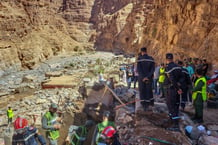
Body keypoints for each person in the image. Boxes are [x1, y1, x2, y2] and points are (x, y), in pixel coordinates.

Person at [164, 53, 184, 131]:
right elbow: (182, 78)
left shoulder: (168, 67)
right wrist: (180, 87)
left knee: (171, 106)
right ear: (173, 58)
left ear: (166, 59)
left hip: (172, 90)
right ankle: (172, 120)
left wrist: (177, 88)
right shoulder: (178, 67)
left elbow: (172, 79)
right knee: (176, 105)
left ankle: (175, 124)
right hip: (177, 90)